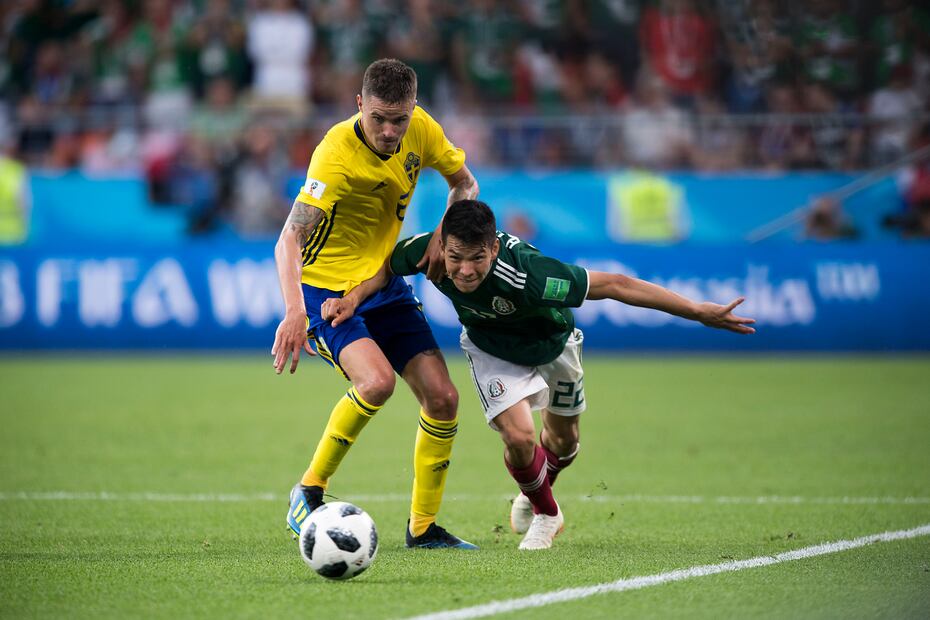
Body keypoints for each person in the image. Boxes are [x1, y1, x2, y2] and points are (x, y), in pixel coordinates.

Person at [322, 199, 755, 550]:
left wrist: (698, 311)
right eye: (455, 258)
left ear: (493, 248)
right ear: (442, 245)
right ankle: (548, 513)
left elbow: (617, 285)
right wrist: (353, 298)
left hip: (553, 344)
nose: (465, 270)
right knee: (519, 437)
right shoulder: (429, 252)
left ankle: (535, 487)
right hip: (492, 349)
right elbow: (386, 266)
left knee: (563, 443)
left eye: (477, 258)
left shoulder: (529, 274)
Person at [272, 59, 480, 549]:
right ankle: (307, 490)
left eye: (400, 119)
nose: (390, 131)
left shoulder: (422, 128)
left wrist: (445, 232)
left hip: (382, 285)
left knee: (445, 399)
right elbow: (289, 237)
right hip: (325, 293)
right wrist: (294, 309)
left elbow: (465, 184)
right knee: (377, 382)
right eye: (380, 118)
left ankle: (424, 529)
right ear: (360, 104)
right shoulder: (334, 155)